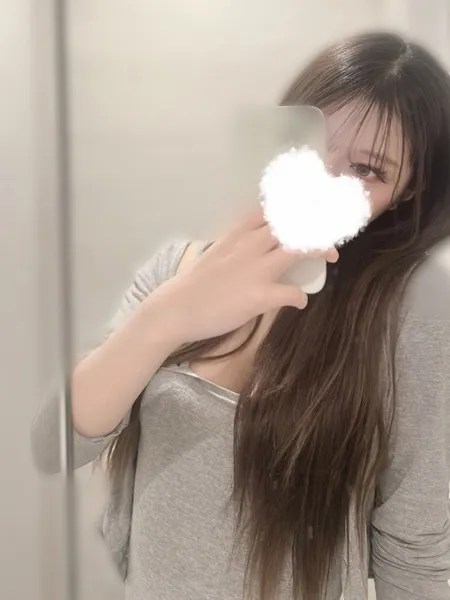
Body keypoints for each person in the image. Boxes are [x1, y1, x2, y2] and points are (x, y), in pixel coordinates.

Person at [31, 31, 450, 600]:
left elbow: (414, 549)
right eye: (312, 144)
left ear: (405, 193)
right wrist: (171, 316)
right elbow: (54, 446)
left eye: (368, 170)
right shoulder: (178, 269)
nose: (323, 181)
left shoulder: (407, 320)